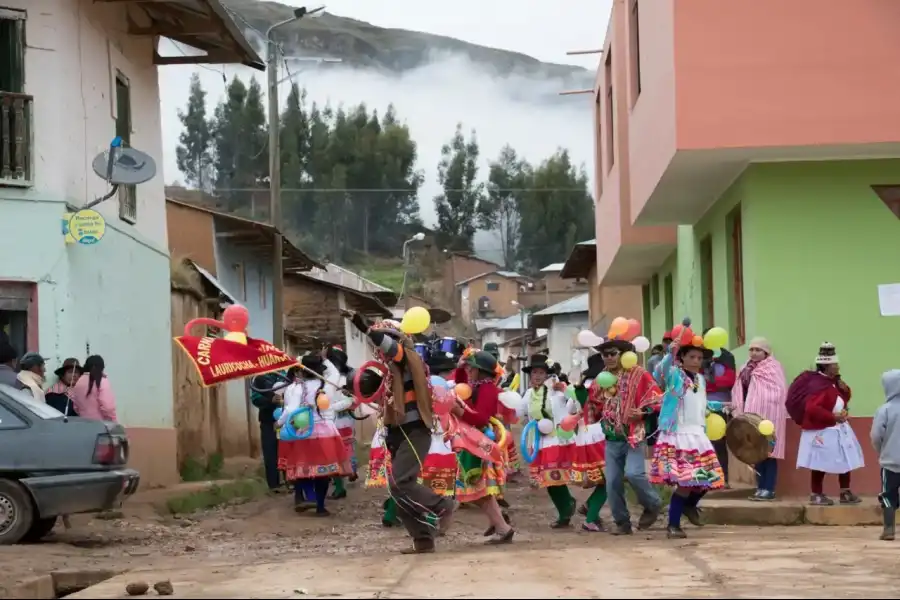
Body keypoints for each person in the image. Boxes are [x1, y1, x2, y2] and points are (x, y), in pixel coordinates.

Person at [344, 312, 454, 554]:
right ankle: (422, 539)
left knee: (400, 482)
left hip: (415, 430)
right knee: (397, 489)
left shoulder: (407, 358)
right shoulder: (389, 372)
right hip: (397, 432)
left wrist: (367, 330)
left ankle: (443, 505)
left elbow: (391, 347)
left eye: (385, 340)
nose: (381, 347)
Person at [651, 321, 726, 539]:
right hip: (678, 433)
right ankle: (673, 525)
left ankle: (688, 506)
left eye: (699, 358)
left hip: (698, 434)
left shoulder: (701, 380)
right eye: (691, 357)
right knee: (685, 482)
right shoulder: (674, 374)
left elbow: (700, 404)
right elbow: (659, 372)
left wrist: (721, 407)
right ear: (682, 357)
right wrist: (669, 352)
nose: (696, 361)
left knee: (708, 479)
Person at [595, 338, 662, 536]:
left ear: (623, 354)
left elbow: (657, 398)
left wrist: (642, 412)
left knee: (634, 474)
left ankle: (653, 504)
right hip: (611, 437)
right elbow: (594, 403)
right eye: (604, 354)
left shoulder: (638, 373)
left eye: (612, 353)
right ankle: (622, 523)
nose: (608, 357)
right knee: (612, 481)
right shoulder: (603, 377)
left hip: (633, 435)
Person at [789, 342, 863, 506]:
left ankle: (845, 491)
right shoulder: (817, 385)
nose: (837, 367)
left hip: (838, 428)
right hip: (821, 430)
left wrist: (844, 391)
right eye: (834, 365)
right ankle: (816, 493)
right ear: (826, 366)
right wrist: (832, 417)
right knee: (819, 461)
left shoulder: (833, 381)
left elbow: (840, 398)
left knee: (845, 459)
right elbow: (812, 408)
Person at [277, 354, 351, 516]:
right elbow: (335, 374)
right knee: (323, 473)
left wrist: (281, 423)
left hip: (304, 432)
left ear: (302, 370)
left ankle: (304, 497)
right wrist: (325, 358)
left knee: (303, 468)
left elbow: (290, 410)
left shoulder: (296, 388)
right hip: (326, 432)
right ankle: (320, 506)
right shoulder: (327, 385)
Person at [456, 349, 515, 544]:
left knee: (478, 487)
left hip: (480, 443)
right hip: (471, 441)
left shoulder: (488, 389)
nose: (468, 370)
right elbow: (460, 386)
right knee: (476, 489)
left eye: (471, 367)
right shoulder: (476, 384)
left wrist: (458, 411)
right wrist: (459, 368)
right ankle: (499, 523)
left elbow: (480, 417)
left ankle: (502, 526)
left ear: (481, 371)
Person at [523, 353, 577, 528]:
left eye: (541, 372)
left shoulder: (557, 392)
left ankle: (565, 510)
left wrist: (566, 389)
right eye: (534, 373)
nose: (537, 376)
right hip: (539, 443)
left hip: (557, 440)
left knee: (555, 477)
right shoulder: (529, 394)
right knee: (548, 480)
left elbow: (574, 404)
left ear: (547, 374)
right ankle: (566, 506)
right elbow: (519, 412)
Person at [731, 337, 787, 500]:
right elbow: (738, 390)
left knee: (768, 453)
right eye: (752, 350)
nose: (754, 353)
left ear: (766, 353)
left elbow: (779, 390)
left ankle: (769, 488)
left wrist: (762, 403)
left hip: (769, 417)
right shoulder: (744, 369)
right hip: (750, 417)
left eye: (758, 350)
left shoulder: (773, 368)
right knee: (755, 453)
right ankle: (760, 487)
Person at [573, 352, 609, 532]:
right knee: (610, 478)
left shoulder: (580, 388)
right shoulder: (600, 387)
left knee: (604, 479)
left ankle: (590, 507)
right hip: (598, 434)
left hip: (583, 435)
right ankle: (590, 518)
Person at [702, 330, 736, 487]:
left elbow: (729, 381)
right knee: (704, 444)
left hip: (722, 407)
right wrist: (712, 384)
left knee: (720, 443)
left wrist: (711, 383)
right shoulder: (700, 358)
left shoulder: (727, 357)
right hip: (702, 407)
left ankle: (724, 478)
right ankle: (706, 477)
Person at [324, 346, 359, 500]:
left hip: (341, 421)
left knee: (338, 453)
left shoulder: (346, 378)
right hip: (338, 420)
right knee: (339, 453)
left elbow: (356, 400)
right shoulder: (326, 378)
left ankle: (341, 485)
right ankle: (341, 483)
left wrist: (333, 407)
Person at [872, 369, 900, 541]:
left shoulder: (885, 410)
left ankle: (889, 529)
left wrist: (881, 451)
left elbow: (876, 435)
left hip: (890, 463)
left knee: (888, 495)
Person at [251, 370, 286, 492]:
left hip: (286, 420)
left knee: (287, 449)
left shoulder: (285, 375)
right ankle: (274, 484)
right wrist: (270, 401)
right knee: (270, 452)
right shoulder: (259, 378)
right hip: (268, 420)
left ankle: (290, 481)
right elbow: (255, 398)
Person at [72, 355, 117, 421]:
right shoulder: (102, 381)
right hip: (102, 425)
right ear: (101, 367)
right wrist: (113, 419)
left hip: (84, 423)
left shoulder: (79, 382)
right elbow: (108, 407)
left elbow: (75, 407)